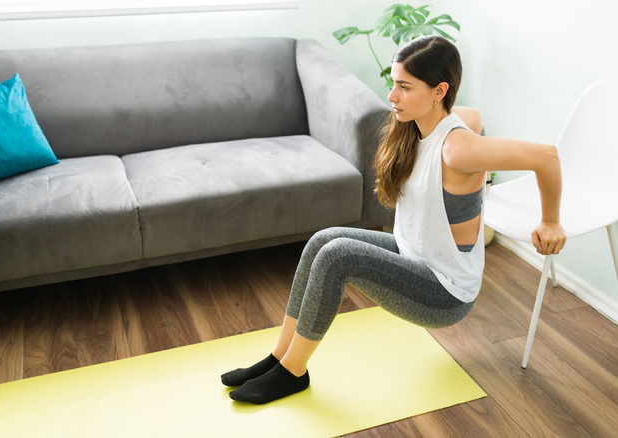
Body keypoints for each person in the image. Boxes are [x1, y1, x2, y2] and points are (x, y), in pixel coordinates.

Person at [221, 35, 566, 404]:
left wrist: (550, 221)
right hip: (413, 254)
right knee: (322, 240)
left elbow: (546, 156)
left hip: (443, 291)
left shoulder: (459, 149)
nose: (392, 96)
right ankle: (279, 357)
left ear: (439, 91)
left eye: (404, 86)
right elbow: (473, 116)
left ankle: (293, 373)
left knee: (338, 256)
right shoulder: (429, 125)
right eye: (393, 83)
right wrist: (441, 109)